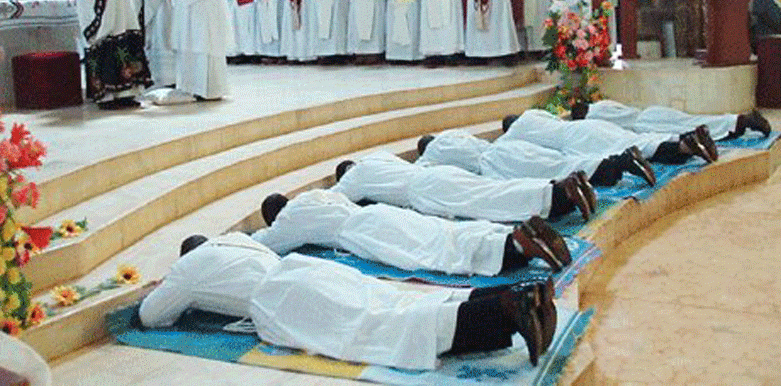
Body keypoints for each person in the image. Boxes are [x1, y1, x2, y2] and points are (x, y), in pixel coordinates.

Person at [139, 232, 555, 368]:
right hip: (305, 269)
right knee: (394, 304)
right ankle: (515, 295)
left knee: (378, 329)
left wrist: (169, 287)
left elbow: (151, 316)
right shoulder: (234, 239)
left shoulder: (188, 269)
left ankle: (505, 311)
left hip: (280, 299)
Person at [255, 189, 572, 273]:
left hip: (363, 233)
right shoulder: (316, 195)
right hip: (378, 214)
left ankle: (517, 245)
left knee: (434, 253)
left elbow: (268, 243)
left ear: (275, 215)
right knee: (442, 233)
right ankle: (508, 236)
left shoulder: (289, 219)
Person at [332, 150, 596, 222]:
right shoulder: (378, 157)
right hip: (436, 175)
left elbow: (332, 198)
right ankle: (559, 187)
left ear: (346, 172)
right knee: (491, 189)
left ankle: (558, 193)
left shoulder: (353, 177)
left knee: (489, 202)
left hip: (426, 191)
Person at [417, 128, 656, 187]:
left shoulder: (433, 153)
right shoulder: (453, 134)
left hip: (499, 164)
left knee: (557, 172)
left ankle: (617, 165)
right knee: (560, 163)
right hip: (508, 148)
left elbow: (422, 169)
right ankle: (620, 160)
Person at [500, 109, 720, 165]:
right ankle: (686, 137)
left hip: (576, 141)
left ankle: (685, 146)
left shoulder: (513, 136)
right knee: (635, 138)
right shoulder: (532, 114)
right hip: (585, 127)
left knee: (634, 150)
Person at [576, 100, 772, 140]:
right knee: (694, 121)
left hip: (648, 124)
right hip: (652, 113)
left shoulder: (593, 116)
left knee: (695, 127)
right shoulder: (603, 103)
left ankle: (742, 121)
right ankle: (740, 121)